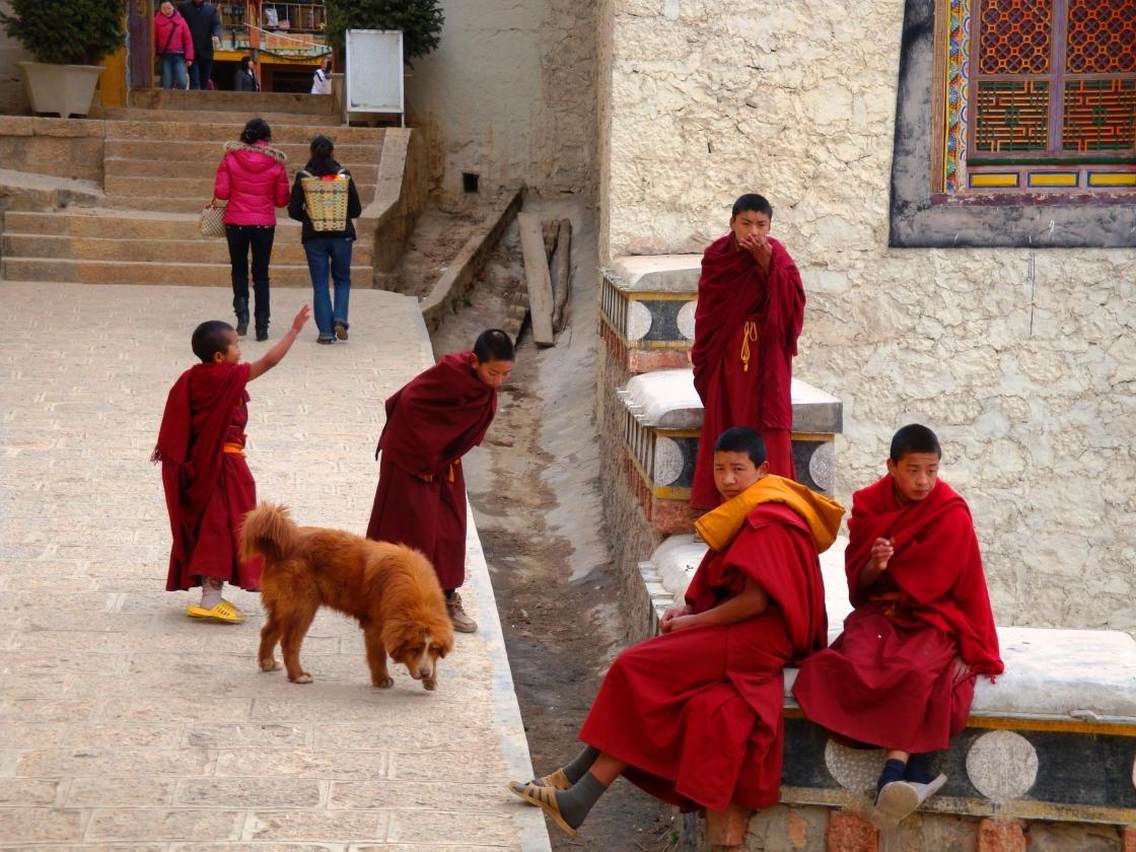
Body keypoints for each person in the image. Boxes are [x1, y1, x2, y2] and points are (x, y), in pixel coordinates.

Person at [508, 427, 844, 837]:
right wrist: (691, 606)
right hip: (743, 629)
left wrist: (693, 622)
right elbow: (731, 585)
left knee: (634, 668)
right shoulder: (751, 506)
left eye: (738, 469)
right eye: (720, 469)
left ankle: (578, 791)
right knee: (645, 682)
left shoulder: (768, 519)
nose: (727, 480)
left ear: (763, 470)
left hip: (759, 640)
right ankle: (574, 786)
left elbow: (756, 601)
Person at [792, 424, 1004, 830]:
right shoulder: (871, 505)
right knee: (842, 666)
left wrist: (904, 584)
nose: (923, 481)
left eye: (931, 470)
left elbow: (950, 585)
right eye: (913, 470)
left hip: (932, 617)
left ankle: (894, 772)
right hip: (878, 617)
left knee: (917, 670)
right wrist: (877, 565)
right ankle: (915, 774)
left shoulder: (951, 512)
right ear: (891, 466)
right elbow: (860, 585)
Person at [153, 305, 312, 623]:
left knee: (217, 524)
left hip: (204, 465)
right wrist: (293, 331)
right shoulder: (226, 377)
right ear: (218, 357)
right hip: (225, 466)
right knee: (224, 526)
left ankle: (215, 592)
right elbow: (269, 362)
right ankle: (211, 597)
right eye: (235, 345)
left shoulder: (191, 379)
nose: (241, 351)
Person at [365, 330, 515, 633]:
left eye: (504, 374)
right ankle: (381, 597)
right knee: (407, 528)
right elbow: (407, 403)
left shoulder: (482, 387)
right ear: (474, 361)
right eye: (493, 373)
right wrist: (423, 456)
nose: (498, 382)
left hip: (443, 462)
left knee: (449, 529)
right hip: (410, 459)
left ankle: (446, 598)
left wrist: (440, 457)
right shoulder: (449, 375)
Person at [690, 193, 805, 510]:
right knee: (726, 419)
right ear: (732, 223)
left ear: (769, 226)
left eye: (761, 225)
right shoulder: (717, 256)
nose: (753, 232)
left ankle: (772, 504)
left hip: (766, 360)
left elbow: (794, 306)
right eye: (746, 224)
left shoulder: (778, 256)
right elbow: (709, 311)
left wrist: (767, 264)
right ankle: (722, 504)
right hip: (728, 356)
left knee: (768, 426)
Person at [213, 118, 290, 342]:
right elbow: (281, 200)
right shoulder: (276, 162)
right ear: (267, 137)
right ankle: (262, 326)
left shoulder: (230, 158)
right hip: (263, 223)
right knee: (261, 274)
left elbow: (222, 192)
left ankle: (242, 315)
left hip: (236, 221)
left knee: (238, 270)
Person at [288, 135, 363, 344]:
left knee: (320, 283)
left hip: (314, 237)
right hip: (342, 236)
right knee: (342, 279)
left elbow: (293, 210)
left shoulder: (304, 176)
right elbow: (356, 209)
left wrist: (311, 215)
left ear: (311, 152)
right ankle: (340, 318)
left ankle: (326, 333)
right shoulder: (343, 175)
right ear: (332, 152)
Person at [177, 0, 222, 90]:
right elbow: (178, 23)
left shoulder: (211, 10)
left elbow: (216, 25)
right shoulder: (184, 7)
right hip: (191, 51)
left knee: (204, 81)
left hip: (206, 51)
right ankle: (195, 102)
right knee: (195, 81)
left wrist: (216, 35)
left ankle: (202, 102)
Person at [154, 2, 194, 91]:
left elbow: (188, 40)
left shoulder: (181, 20)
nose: (167, 11)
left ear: (173, 7)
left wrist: (189, 57)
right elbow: (154, 40)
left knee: (182, 82)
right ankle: (168, 102)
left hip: (179, 55)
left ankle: (178, 100)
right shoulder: (156, 21)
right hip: (165, 56)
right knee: (167, 84)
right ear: (160, 9)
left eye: (169, 8)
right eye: (164, 8)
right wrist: (153, 54)